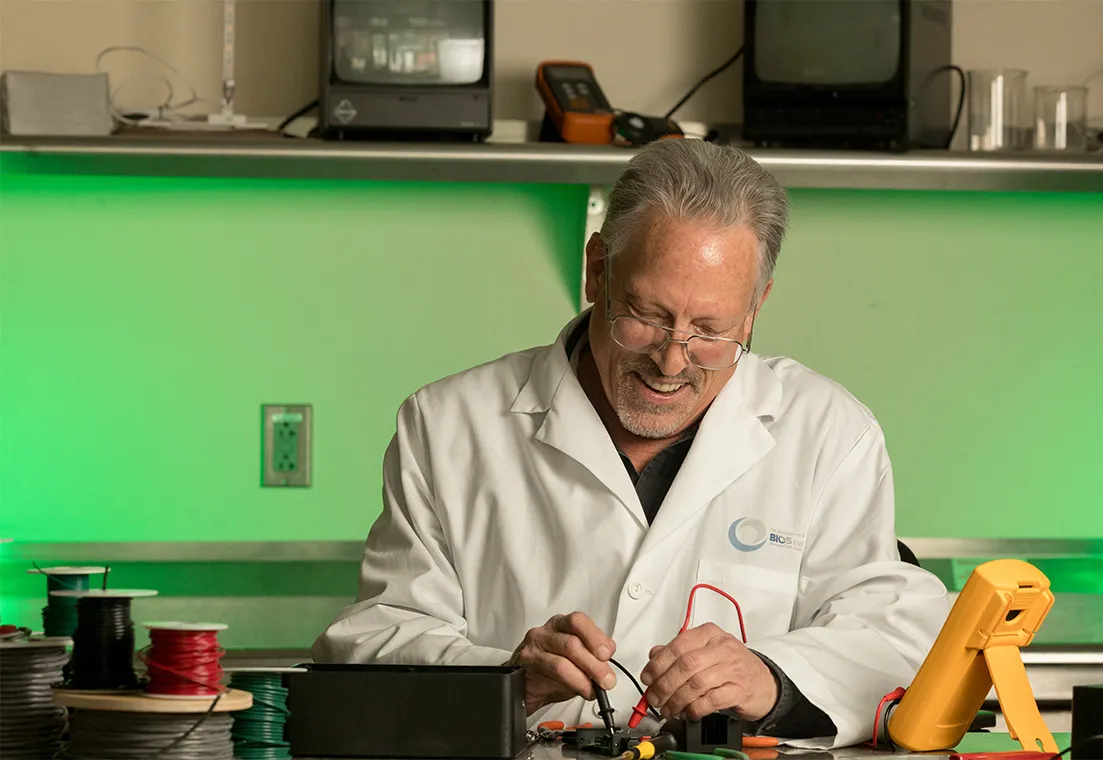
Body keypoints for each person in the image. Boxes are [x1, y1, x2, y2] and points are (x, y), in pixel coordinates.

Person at [312, 139, 949, 748]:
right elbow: (374, 642)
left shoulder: (828, 432)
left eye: (711, 329)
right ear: (596, 271)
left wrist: (771, 680)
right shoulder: (449, 425)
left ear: (756, 309)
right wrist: (505, 678)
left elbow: (896, 637)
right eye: (645, 315)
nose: (672, 361)